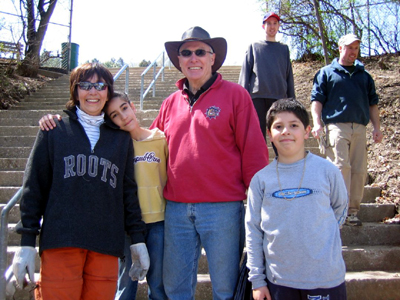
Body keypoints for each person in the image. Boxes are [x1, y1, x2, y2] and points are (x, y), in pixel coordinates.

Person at [11, 63, 149, 300]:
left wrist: (137, 239)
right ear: (75, 91)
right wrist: (26, 241)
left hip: (106, 245)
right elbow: (34, 187)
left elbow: (128, 191)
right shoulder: (53, 129)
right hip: (61, 241)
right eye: (85, 85)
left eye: (99, 85)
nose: (92, 91)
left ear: (108, 91)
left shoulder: (121, 138)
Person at [150, 26, 269, 300]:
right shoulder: (169, 103)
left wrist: (260, 199)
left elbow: (253, 149)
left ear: (212, 58)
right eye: (186, 53)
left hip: (223, 208)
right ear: (178, 61)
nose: (194, 58)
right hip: (177, 209)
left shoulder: (236, 95)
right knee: (175, 289)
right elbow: (149, 145)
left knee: (226, 290)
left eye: (200, 52)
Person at [38, 93, 169, 300]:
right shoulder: (116, 144)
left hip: (158, 221)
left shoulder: (160, 138)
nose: (124, 117)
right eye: (115, 115)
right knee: (125, 285)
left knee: (159, 284)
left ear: (133, 107)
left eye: (125, 108)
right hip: (126, 226)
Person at [245, 98, 348, 300]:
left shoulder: (327, 171)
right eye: (278, 126)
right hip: (279, 281)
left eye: (294, 125)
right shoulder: (261, 180)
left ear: (307, 131)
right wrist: (257, 280)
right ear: (269, 134)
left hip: (324, 277)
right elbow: (253, 230)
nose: (286, 131)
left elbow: (340, 210)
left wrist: (317, 236)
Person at [311, 33, 383, 226]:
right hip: (336, 127)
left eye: (356, 48)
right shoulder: (327, 72)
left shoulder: (364, 76)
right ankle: (338, 209)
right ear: (340, 48)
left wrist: (377, 127)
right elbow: (317, 100)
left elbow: (373, 104)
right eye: (350, 47)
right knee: (341, 167)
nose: (353, 52)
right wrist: (317, 123)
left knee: (359, 171)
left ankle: (352, 212)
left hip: (360, 128)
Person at [238, 12, 295, 140]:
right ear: (263, 26)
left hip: (279, 98)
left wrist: (292, 101)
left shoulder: (283, 49)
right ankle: (260, 161)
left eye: (275, 23)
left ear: (279, 26)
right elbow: (245, 73)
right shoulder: (254, 47)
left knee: (280, 135)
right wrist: (242, 98)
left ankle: (281, 160)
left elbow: (288, 76)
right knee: (257, 136)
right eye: (269, 23)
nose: (272, 26)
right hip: (258, 97)